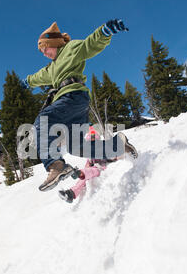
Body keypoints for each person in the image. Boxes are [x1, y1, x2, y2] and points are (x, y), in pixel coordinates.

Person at [21, 19, 137, 192]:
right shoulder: (51, 69)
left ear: (54, 43)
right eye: (42, 51)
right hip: (75, 105)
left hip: (72, 96)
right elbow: (39, 76)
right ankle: (118, 146)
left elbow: (89, 45)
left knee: (43, 121)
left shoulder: (71, 49)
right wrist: (27, 82)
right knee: (77, 147)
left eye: (46, 49)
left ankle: (55, 164)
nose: (45, 53)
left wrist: (105, 32)